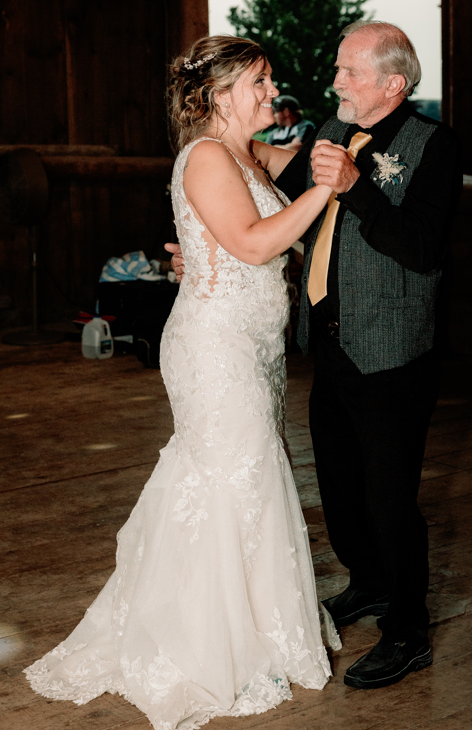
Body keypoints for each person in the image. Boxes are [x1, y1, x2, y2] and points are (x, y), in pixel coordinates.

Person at [25, 36, 340, 730]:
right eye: (258, 82)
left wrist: (330, 150)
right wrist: (325, 188)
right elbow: (257, 243)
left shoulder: (245, 152)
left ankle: (257, 631)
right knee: (232, 479)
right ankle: (203, 645)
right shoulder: (203, 157)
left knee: (249, 479)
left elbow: (297, 162)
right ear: (220, 94)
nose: (270, 92)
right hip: (214, 347)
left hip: (253, 346)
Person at [171, 20, 462, 692]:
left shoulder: (433, 146)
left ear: (393, 83)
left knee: (391, 496)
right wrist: (208, 251)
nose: (334, 82)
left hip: (391, 352)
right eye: (337, 69)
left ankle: (408, 630)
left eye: (348, 72)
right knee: (337, 483)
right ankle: (367, 584)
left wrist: (359, 186)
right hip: (325, 344)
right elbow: (266, 201)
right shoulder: (326, 133)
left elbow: (423, 249)